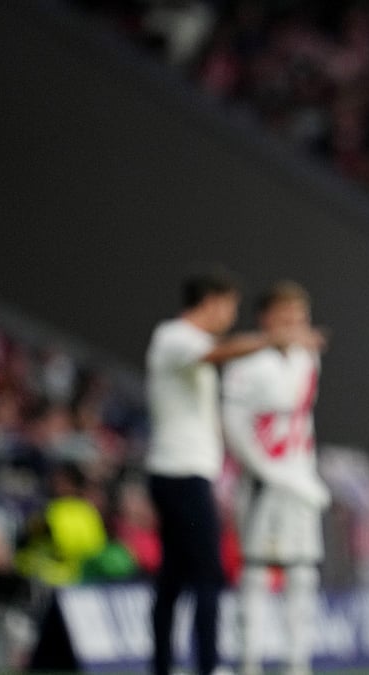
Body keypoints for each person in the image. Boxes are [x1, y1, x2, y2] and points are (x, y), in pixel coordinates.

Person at [145, 268, 311, 675]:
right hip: (181, 472)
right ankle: (207, 665)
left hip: (177, 471)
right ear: (212, 302)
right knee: (208, 574)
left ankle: (163, 664)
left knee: (174, 576)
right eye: (229, 306)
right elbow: (215, 354)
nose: (231, 316)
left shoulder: (185, 341)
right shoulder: (175, 336)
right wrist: (272, 340)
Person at [222, 281, 330, 675]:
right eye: (285, 317)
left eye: (299, 318)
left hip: (301, 478)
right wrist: (267, 472)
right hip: (263, 481)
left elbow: (303, 421)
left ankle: (296, 662)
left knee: (302, 572)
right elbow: (235, 425)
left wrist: (305, 473)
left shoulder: (306, 358)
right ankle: (248, 660)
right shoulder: (245, 363)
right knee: (256, 570)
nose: (293, 326)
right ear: (265, 319)